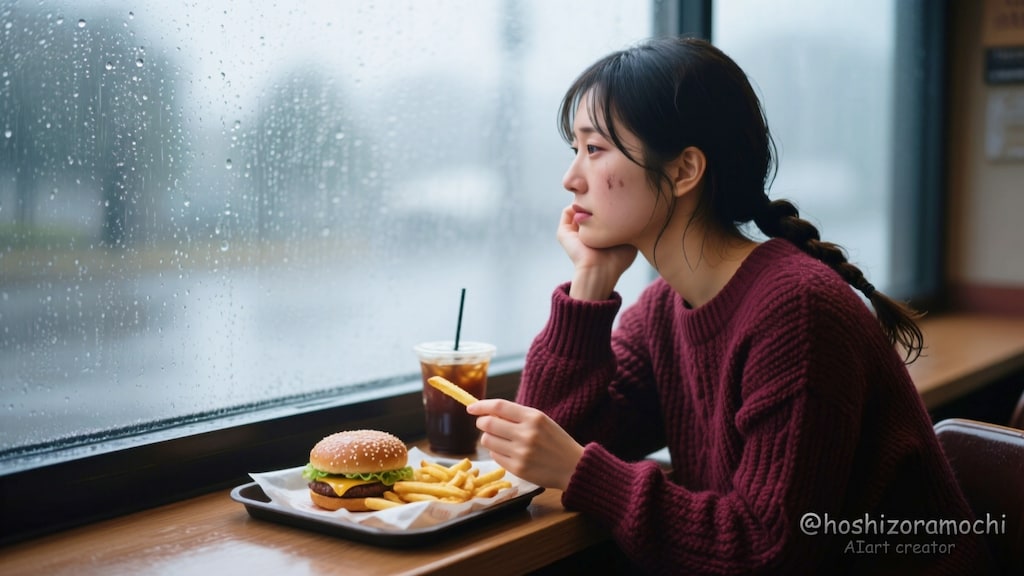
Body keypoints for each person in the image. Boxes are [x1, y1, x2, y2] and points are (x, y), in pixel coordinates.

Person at [467, 37, 994, 575]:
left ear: (683, 171)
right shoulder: (663, 311)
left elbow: (769, 550)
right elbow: (543, 437)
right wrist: (590, 281)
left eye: (594, 149)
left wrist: (584, 471)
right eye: (573, 150)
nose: (570, 178)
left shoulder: (797, 312)